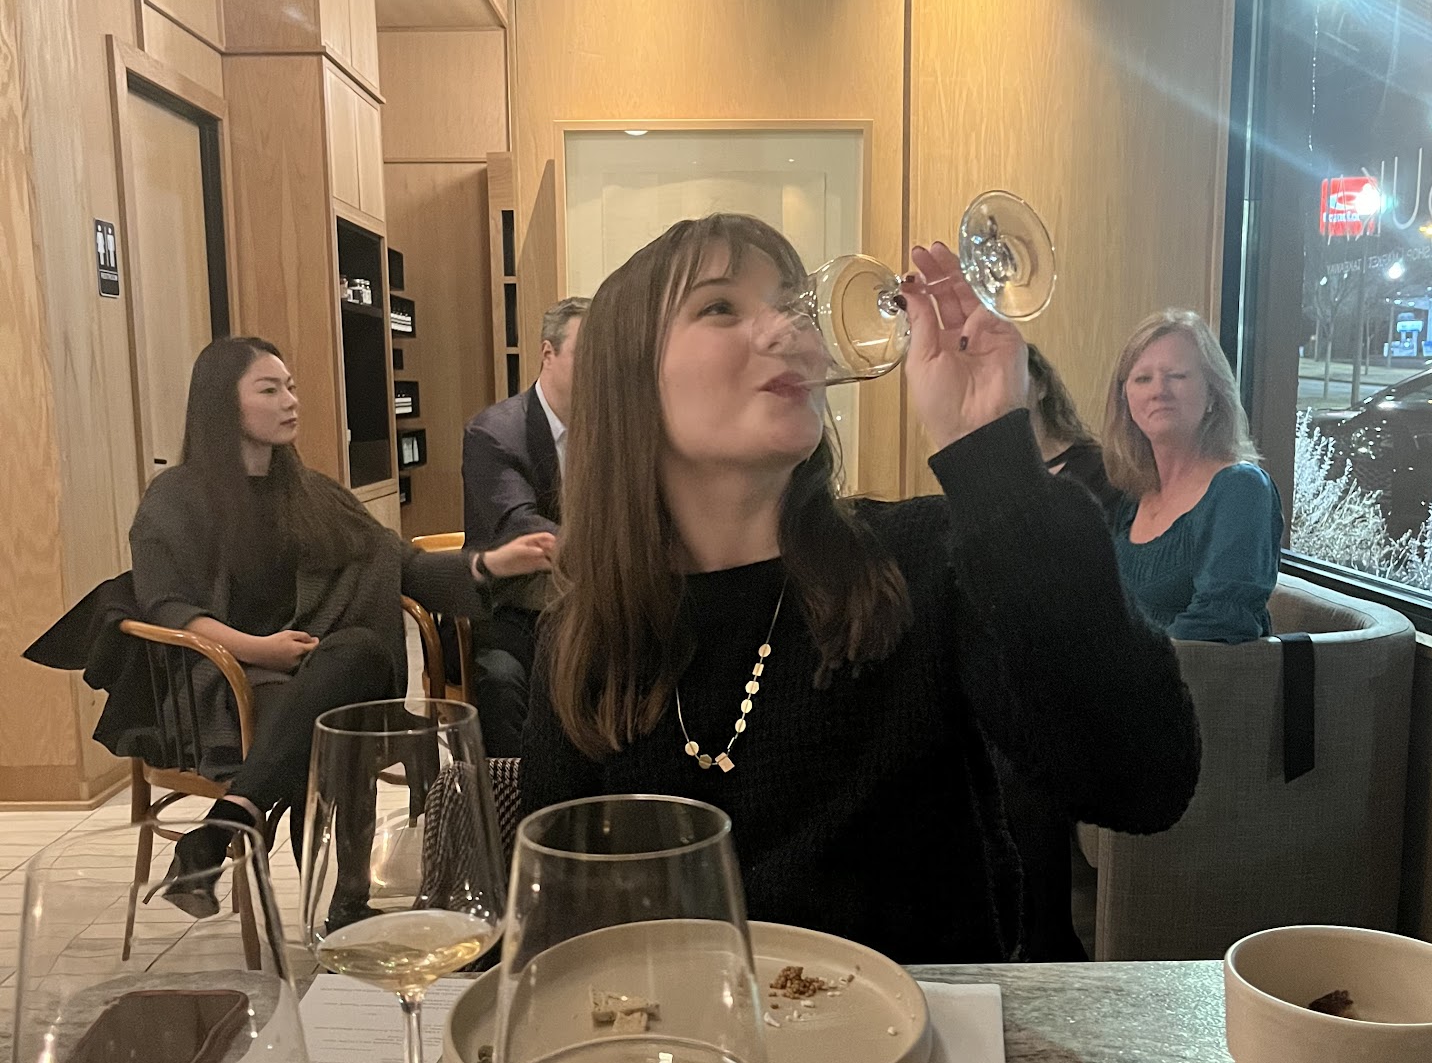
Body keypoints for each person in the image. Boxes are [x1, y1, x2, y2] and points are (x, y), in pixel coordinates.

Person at [520, 213, 1200, 964]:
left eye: (792, 304)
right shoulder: (590, 635)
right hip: (678, 1035)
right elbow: (559, 928)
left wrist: (994, 465)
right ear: (627, 381)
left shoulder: (919, 562)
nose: (788, 329)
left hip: (929, 1033)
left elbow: (1144, 781)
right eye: (720, 306)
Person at [129, 336, 549, 906]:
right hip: (228, 681)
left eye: (291, 387)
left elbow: (405, 565)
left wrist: (491, 564)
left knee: (359, 657)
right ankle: (346, 904)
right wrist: (259, 649)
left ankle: (225, 825)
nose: (290, 401)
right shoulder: (175, 497)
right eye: (269, 390)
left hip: (323, 670)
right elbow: (168, 607)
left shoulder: (312, 495)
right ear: (222, 403)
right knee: (339, 721)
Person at [1104, 310, 1283, 644]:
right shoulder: (1133, 497)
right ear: (1125, 400)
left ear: (1213, 392)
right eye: (1143, 379)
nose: (1159, 390)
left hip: (1192, 676)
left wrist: (1119, 664)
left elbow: (1220, 623)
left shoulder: (1241, 488)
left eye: (1177, 375)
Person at [459, 297, 589, 753]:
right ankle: (515, 791)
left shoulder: (611, 428)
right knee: (503, 679)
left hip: (588, 600)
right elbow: (521, 525)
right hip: (514, 601)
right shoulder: (494, 433)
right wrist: (609, 550)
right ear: (548, 352)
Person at [1026, 343, 1121, 517]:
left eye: (1011, 378)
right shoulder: (988, 474)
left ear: (1041, 387)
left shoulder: (1098, 468)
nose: (1001, 392)